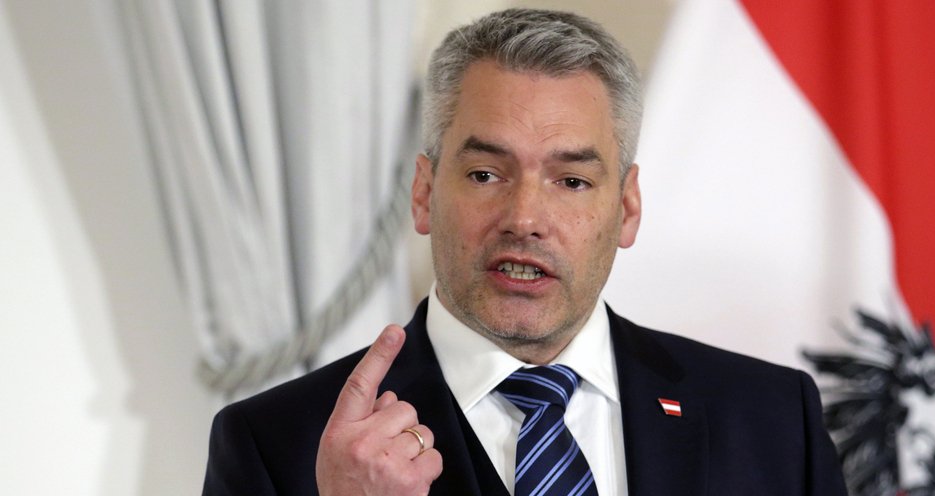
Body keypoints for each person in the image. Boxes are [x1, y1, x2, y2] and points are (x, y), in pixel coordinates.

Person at [203, 8, 848, 496]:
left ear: (626, 209)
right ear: (424, 194)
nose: (525, 220)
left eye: (572, 181)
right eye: (486, 174)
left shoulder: (770, 419)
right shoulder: (277, 444)